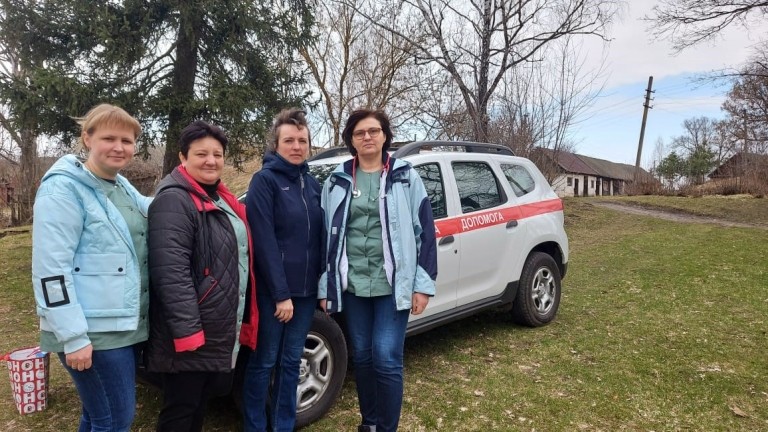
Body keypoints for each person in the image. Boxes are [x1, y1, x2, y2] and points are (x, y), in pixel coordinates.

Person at [31, 103, 151, 432]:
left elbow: (153, 209)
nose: (119, 147)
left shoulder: (119, 185)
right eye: (109, 138)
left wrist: (194, 191)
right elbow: (50, 270)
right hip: (91, 333)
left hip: (119, 324)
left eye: (127, 141)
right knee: (115, 419)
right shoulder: (63, 189)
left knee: (99, 415)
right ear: (87, 138)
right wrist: (73, 336)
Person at [319, 109, 438, 432]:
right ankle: (368, 424)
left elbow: (426, 231)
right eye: (360, 133)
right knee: (364, 358)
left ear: (385, 135)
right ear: (351, 140)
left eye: (374, 131)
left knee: (386, 358)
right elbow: (325, 238)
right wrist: (325, 286)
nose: (367, 137)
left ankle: (386, 428)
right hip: (353, 286)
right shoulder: (337, 180)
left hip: (393, 286)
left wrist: (423, 284)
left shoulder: (405, 176)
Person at [145, 120, 258, 432]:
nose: (211, 161)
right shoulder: (174, 199)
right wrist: (188, 332)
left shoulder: (218, 197)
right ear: (183, 157)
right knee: (180, 411)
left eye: (218, 154)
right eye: (201, 154)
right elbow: (171, 272)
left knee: (196, 408)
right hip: (190, 332)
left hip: (215, 324)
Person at [242, 108, 324, 432]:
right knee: (264, 362)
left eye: (302, 140)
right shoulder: (264, 181)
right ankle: (255, 426)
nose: (296, 146)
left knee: (291, 362)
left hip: (305, 295)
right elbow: (263, 241)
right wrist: (280, 294)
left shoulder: (313, 185)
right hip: (274, 294)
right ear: (276, 145)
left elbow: (320, 239)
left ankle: (283, 425)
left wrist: (323, 287)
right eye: (289, 140)